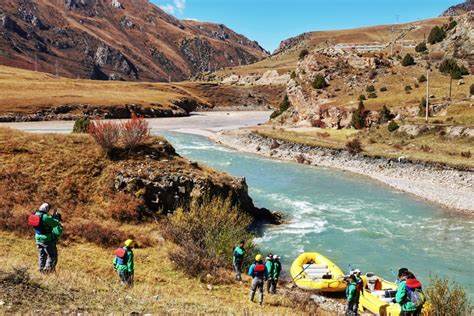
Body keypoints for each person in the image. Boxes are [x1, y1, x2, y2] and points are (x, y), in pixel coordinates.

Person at [28, 203, 63, 273]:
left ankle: (41, 270)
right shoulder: (45, 217)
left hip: (38, 238)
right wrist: (56, 217)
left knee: (42, 255)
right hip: (46, 239)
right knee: (52, 256)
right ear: (46, 209)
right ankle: (48, 271)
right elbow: (55, 224)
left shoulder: (36, 214)